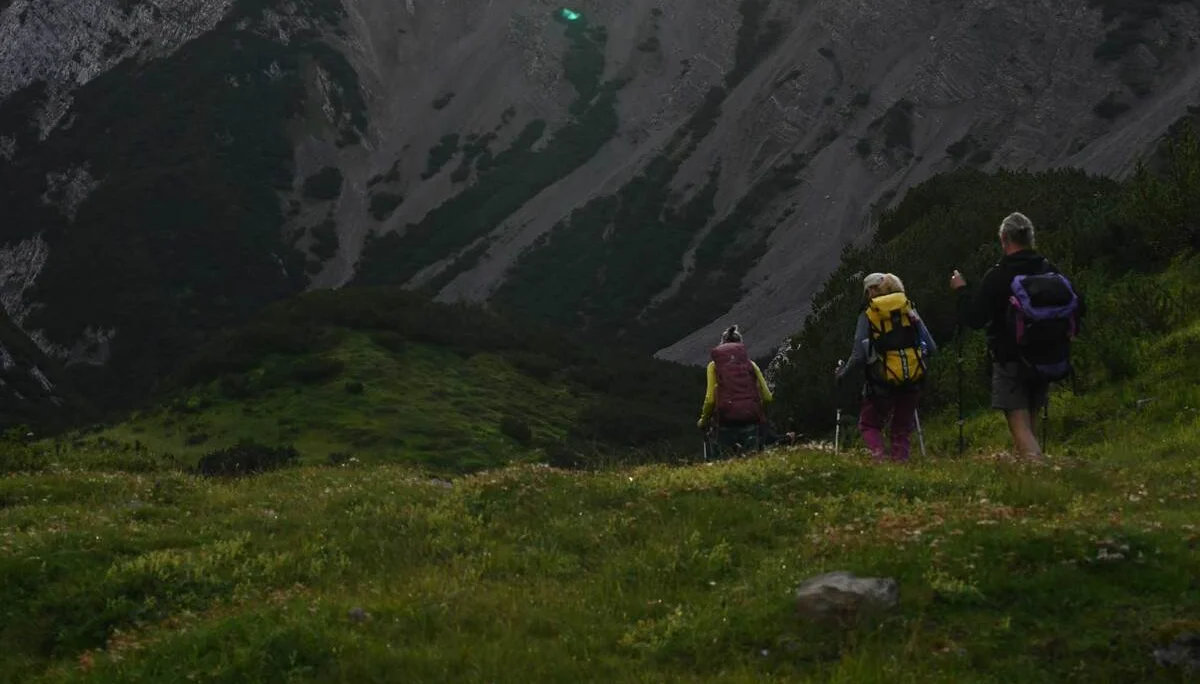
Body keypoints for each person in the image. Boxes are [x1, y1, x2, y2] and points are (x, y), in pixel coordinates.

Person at [949, 211, 1085, 460]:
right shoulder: (1048, 269)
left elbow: (975, 318)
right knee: (1031, 416)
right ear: (1031, 238)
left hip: (1011, 357)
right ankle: (1028, 473)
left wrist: (961, 291)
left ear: (1004, 238)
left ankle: (1040, 474)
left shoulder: (999, 275)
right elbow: (1078, 304)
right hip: (1048, 355)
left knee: (1018, 422)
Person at [835, 272, 936, 462]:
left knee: (869, 424)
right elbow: (931, 346)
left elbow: (858, 356)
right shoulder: (908, 309)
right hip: (912, 380)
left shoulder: (869, 314)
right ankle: (900, 468)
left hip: (881, 383)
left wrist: (842, 374)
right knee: (901, 428)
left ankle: (879, 460)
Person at [697, 325, 774, 458]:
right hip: (751, 421)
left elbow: (710, 400)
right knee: (752, 462)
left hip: (724, 423)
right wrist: (760, 413)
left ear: (722, 344)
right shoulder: (751, 365)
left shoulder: (714, 366)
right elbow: (767, 397)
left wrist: (703, 421)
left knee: (722, 463)